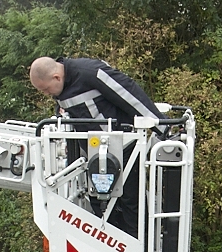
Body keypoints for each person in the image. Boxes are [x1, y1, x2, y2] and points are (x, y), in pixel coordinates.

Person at [29, 56, 167, 237]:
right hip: (95, 155)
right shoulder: (60, 88)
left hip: (123, 147)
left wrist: (163, 127)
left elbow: (129, 93)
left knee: (131, 203)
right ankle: (113, 250)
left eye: (46, 89)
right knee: (99, 202)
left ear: (56, 77)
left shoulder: (90, 72)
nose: (47, 94)